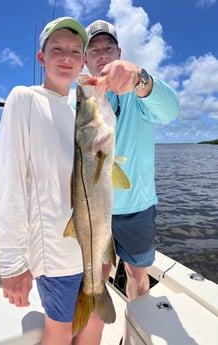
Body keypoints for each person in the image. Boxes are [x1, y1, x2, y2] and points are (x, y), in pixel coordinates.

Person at [0, 17, 104, 345]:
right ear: (41, 57)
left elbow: (98, 177)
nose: (66, 57)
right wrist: (13, 263)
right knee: (59, 333)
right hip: (55, 255)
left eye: (75, 51)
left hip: (90, 249)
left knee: (95, 326)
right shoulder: (24, 99)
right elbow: (10, 182)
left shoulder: (82, 112)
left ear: (84, 61)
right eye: (57, 49)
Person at [85, 20, 180, 301]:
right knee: (97, 270)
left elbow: (171, 111)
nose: (102, 54)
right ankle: (94, 323)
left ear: (119, 52)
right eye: (94, 50)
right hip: (93, 205)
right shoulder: (78, 99)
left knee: (138, 275)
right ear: (86, 59)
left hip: (136, 208)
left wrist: (140, 77)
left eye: (108, 48)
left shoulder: (139, 93)